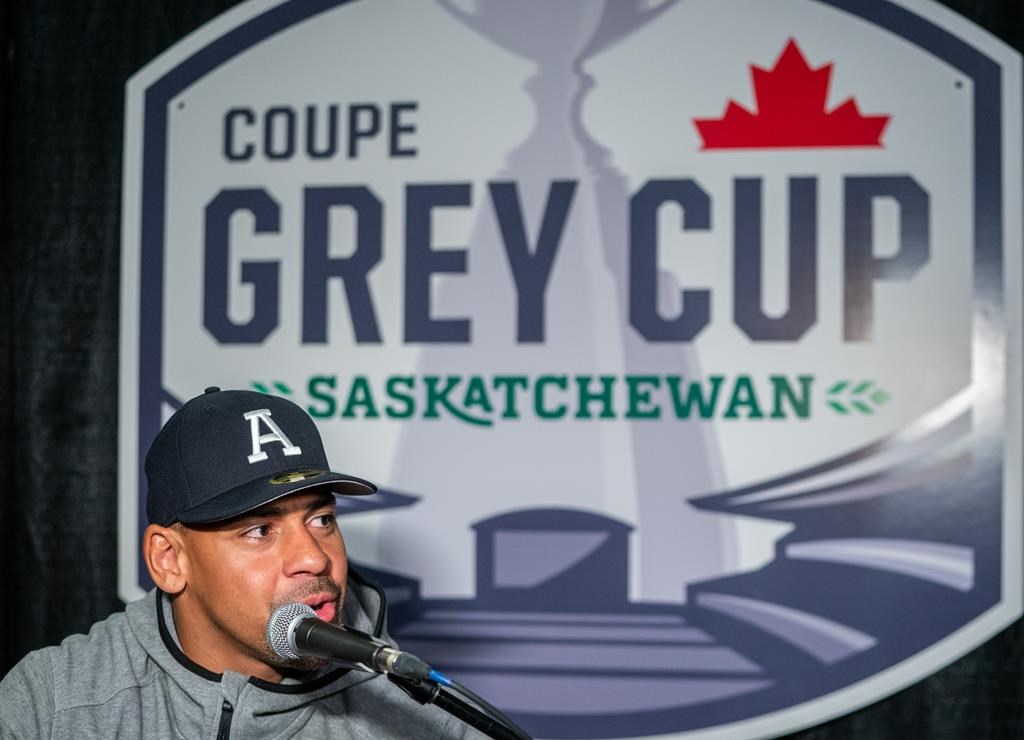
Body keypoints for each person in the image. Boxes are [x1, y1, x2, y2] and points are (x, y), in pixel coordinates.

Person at [0, 387, 485, 738]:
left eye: (321, 519)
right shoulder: (49, 706)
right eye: (259, 530)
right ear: (169, 560)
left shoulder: (421, 714)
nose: (314, 557)